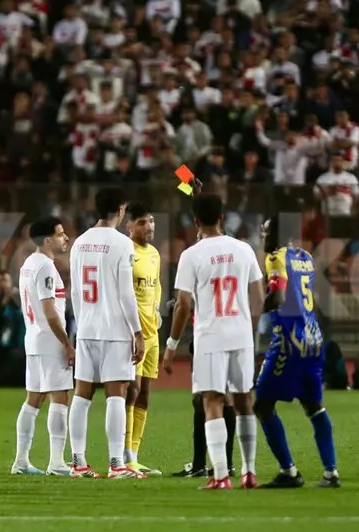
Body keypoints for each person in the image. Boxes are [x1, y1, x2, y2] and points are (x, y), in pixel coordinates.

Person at [162, 194, 264, 490]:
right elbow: (258, 299)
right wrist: (248, 326)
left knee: (212, 401)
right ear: (223, 217)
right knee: (244, 402)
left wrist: (171, 344)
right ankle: (249, 472)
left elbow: (182, 304)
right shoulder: (244, 250)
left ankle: (220, 475)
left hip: (210, 336)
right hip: (241, 335)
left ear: (195, 221)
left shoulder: (192, 255)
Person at [252, 214, 339, 488]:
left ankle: (288, 472)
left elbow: (278, 295)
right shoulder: (305, 257)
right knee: (314, 406)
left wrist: (251, 310)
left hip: (289, 342)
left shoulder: (276, 257)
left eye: (266, 232)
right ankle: (331, 472)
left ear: (276, 233)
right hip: (313, 338)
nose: (263, 237)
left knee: (262, 405)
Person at [69, 187, 146, 479]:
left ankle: (78, 463)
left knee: (82, 394)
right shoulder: (122, 243)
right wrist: (137, 332)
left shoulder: (79, 242)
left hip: (87, 327)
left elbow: (76, 291)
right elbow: (126, 293)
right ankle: (117, 464)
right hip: (114, 328)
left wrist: (81, 323)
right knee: (117, 394)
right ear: (122, 208)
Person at [11, 217, 73, 476]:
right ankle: (57, 462)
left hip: (33, 338)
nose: (66, 238)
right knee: (60, 397)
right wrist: (67, 343)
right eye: (60, 234)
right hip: (49, 340)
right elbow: (50, 311)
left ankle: (21, 461)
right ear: (47, 240)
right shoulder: (46, 268)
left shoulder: (28, 264)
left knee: (33, 399)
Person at [123, 202, 162, 476]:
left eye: (150, 221)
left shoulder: (154, 254)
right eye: (141, 222)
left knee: (145, 393)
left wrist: (157, 310)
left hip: (152, 332)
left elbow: (156, 285)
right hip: (131, 333)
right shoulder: (126, 252)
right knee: (131, 390)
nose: (148, 227)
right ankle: (124, 453)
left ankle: (135, 454)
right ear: (129, 226)